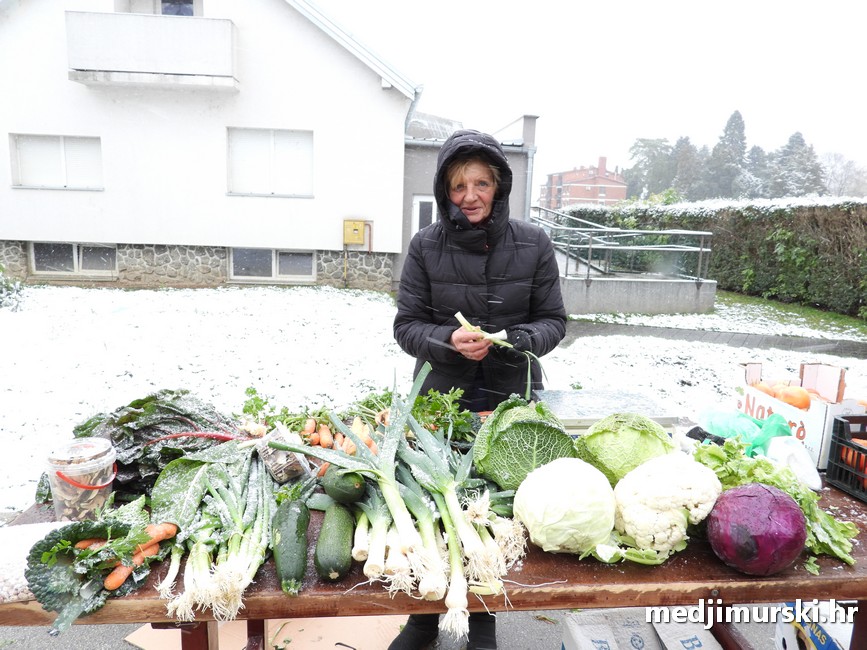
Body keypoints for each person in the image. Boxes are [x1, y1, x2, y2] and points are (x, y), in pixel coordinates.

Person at [390, 130, 567, 650]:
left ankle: (483, 615)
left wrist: (515, 340)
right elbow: (407, 327)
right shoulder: (426, 246)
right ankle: (424, 618)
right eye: (459, 184)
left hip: (511, 404)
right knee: (437, 510)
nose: (470, 194)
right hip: (442, 403)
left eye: (481, 183)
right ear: (446, 191)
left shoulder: (533, 243)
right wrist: (446, 340)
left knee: (492, 515)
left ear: (499, 186)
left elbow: (554, 322)